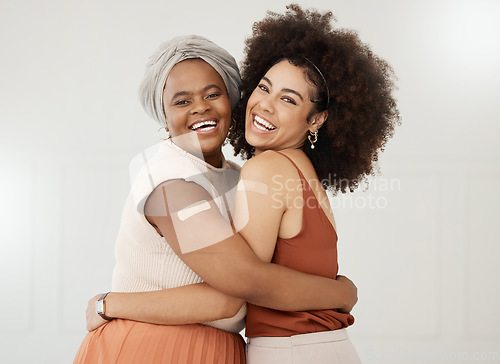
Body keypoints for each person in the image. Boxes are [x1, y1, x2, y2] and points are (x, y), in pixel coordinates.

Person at [74, 34, 358, 364]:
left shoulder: (241, 176)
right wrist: (340, 293)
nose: (200, 107)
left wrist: (110, 302)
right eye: (182, 101)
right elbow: (232, 297)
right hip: (151, 348)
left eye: (213, 94)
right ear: (163, 117)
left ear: (231, 100)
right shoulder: (169, 181)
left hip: (218, 351)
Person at [227, 4, 400, 363]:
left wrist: (117, 306)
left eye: (288, 99)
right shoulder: (300, 169)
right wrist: (340, 292)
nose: (264, 106)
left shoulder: (268, 169)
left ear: (316, 119)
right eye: (264, 87)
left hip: (289, 350)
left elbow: (245, 285)